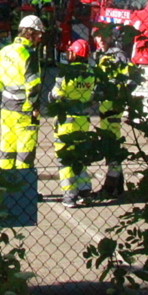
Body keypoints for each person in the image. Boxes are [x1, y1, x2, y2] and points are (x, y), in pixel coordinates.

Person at [0, 14, 45, 171]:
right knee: (25, 148)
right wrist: (33, 106)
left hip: (6, 106)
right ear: (30, 32)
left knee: (7, 146)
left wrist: (10, 93)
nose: (40, 37)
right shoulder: (29, 54)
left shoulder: (4, 51)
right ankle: (24, 190)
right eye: (38, 33)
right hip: (25, 109)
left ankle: (5, 185)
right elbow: (33, 84)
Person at [48, 38, 97, 208]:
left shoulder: (65, 74)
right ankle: (85, 191)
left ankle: (69, 195)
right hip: (83, 121)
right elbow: (91, 96)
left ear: (74, 54)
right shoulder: (91, 74)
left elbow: (54, 95)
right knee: (79, 157)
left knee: (65, 159)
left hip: (66, 121)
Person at [91, 27, 132, 199]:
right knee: (111, 142)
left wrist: (116, 92)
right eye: (97, 36)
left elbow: (129, 79)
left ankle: (110, 186)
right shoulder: (99, 55)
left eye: (103, 36)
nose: (100, 39)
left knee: (112, 145)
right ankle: (119, 186)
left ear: (111, 36)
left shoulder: (117, 55)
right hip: (104, 106)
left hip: (112, 106)